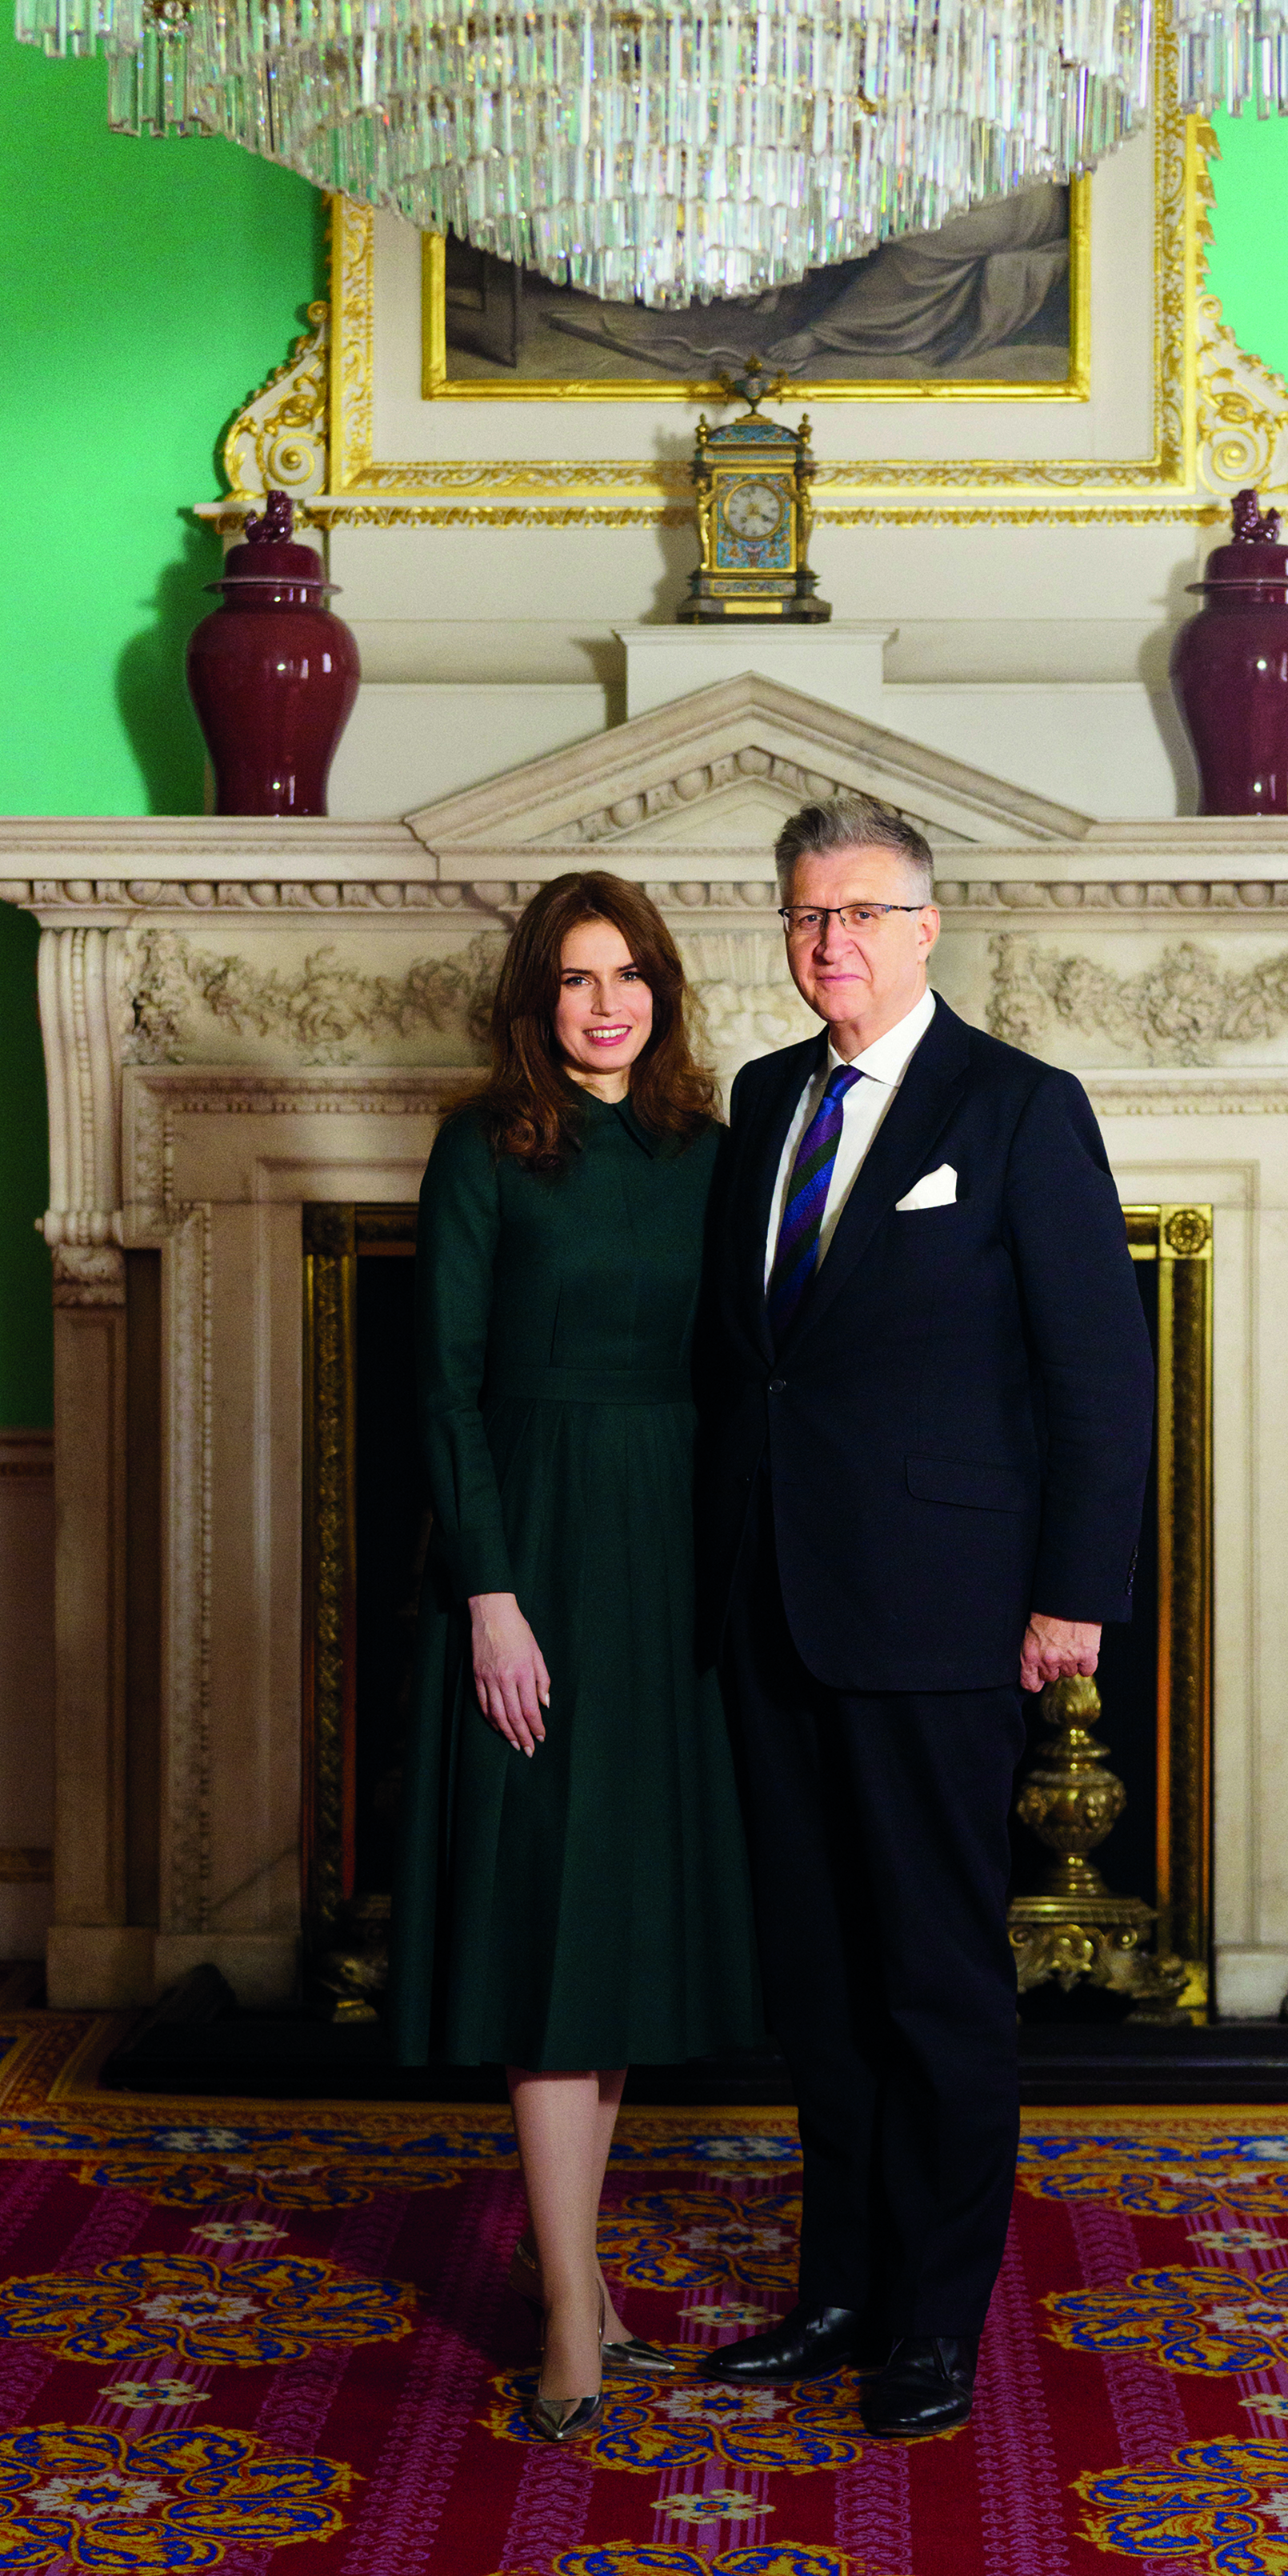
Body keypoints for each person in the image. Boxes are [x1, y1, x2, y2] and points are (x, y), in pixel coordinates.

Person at [697, 791, 1154, 2438]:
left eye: (862, 915)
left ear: (925, 925)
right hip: (771, 1609)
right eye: (807, 917)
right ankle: (838, 2290)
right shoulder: (759, 1101)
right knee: (815, 1980)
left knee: (934, 1979)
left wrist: (1070, 1597)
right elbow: (749, 1365)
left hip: (945, 1615)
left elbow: (1099, 1375)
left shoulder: (1020, 1109)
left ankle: (934, 2320)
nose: (831, 944)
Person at [388, 870, 758, 2442]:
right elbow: (442, 1386)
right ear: (535, 1001)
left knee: (606, 1936)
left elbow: (753, 1373)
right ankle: (564, 2312)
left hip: (667, 1562)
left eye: (628, 976)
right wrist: (490, 1593)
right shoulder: (483, 1148)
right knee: (544, 1934)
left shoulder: (710, 1153)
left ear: (661, 992)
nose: (604, 1003)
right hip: (528, 1555)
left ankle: (583, 2277)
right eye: (573, 979)